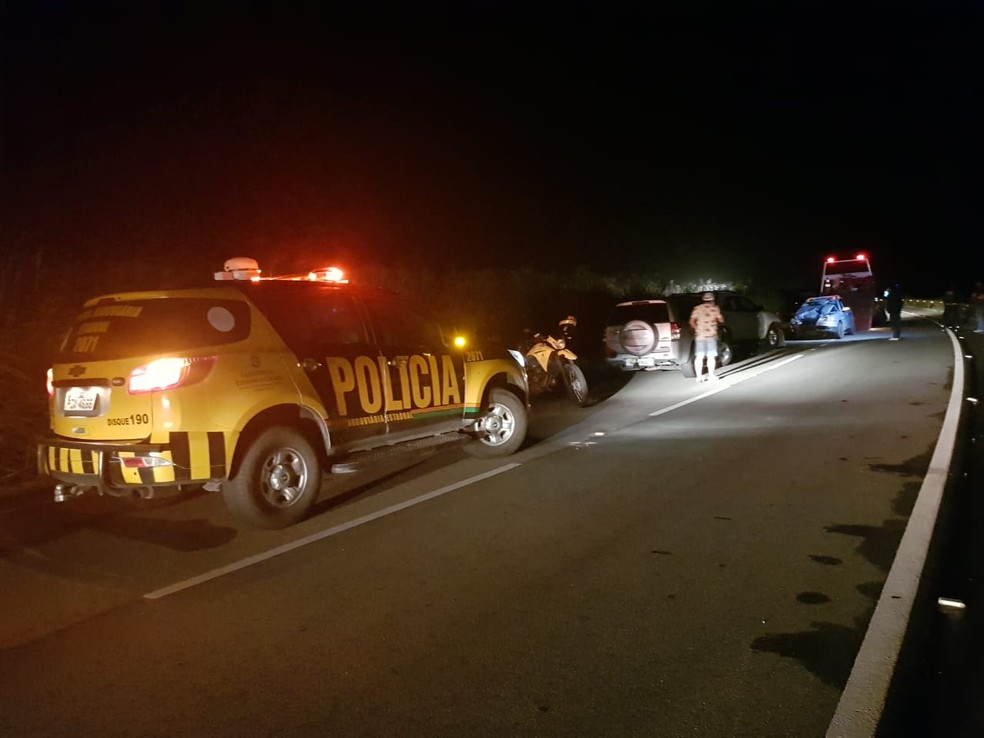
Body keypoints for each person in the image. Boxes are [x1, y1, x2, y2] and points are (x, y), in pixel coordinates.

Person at [689, 291, 725, 382]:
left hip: (700, 336)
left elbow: (691, 322)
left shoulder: (697, 308)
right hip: (711, 336)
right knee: (711, 356)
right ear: (713, 300)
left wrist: (697, 329)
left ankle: (699, 377)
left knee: (699, 357)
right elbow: (721, 320)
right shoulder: (715, 308)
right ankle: (711, 375)